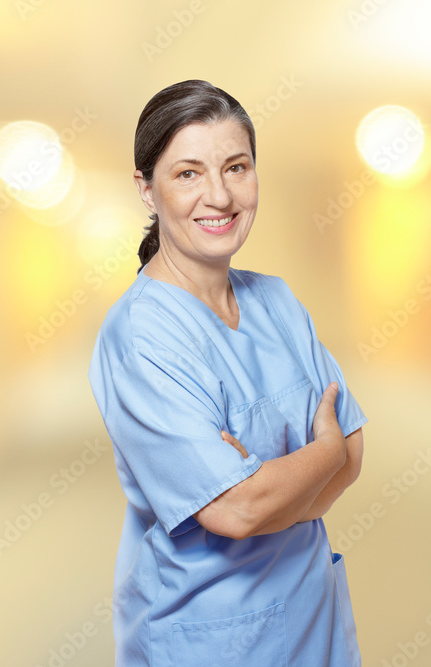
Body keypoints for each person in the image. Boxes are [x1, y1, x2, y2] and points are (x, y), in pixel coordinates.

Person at [87, 79, 369, 667]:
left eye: (236, 167)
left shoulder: (278, 301)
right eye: (188, 173)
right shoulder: (141, 337)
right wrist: (319, 451)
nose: (219, 195)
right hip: (207, 637)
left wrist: (265, 483)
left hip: (310, 617)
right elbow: (235, 510)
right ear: (146, 189)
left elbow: (355, 458)